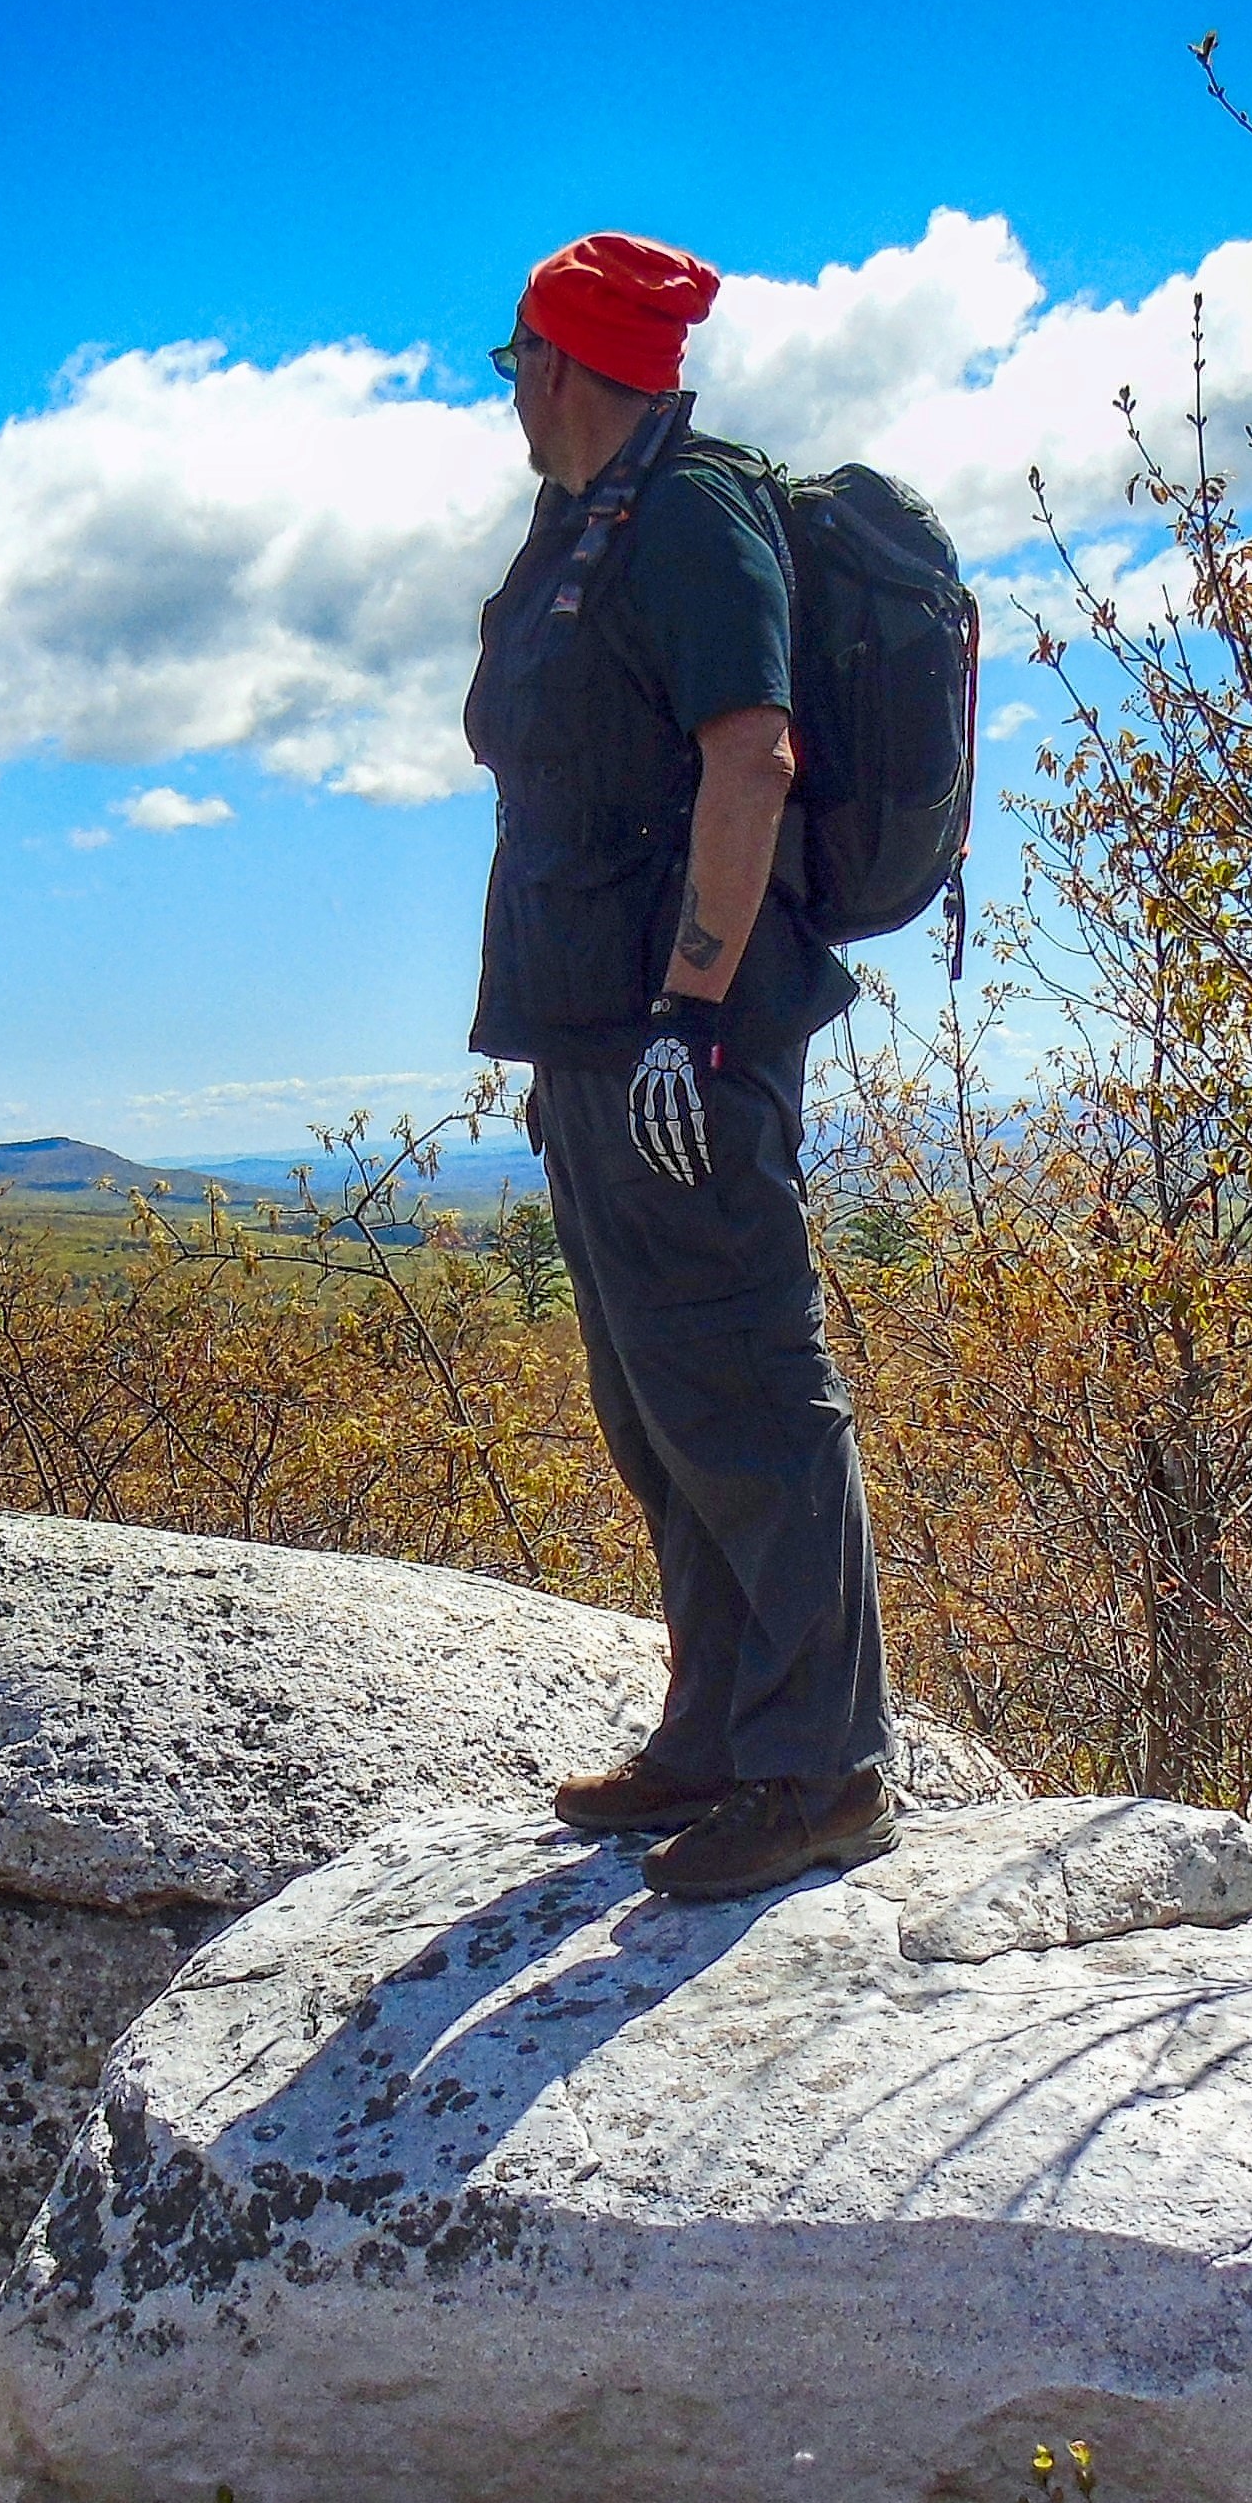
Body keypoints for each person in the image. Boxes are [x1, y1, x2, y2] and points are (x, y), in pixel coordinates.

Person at [466, 231, 900, 1903]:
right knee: (660, 1406)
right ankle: (719, 1728)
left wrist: (688, 1009)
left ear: (563, 367)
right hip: (595, 1039)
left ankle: (826, 1766)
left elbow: (755, 754)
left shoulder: (698, 513)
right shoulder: (589, 525)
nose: (514, 395)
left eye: (517, 367)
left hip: (682, 1045)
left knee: (746, 1384)